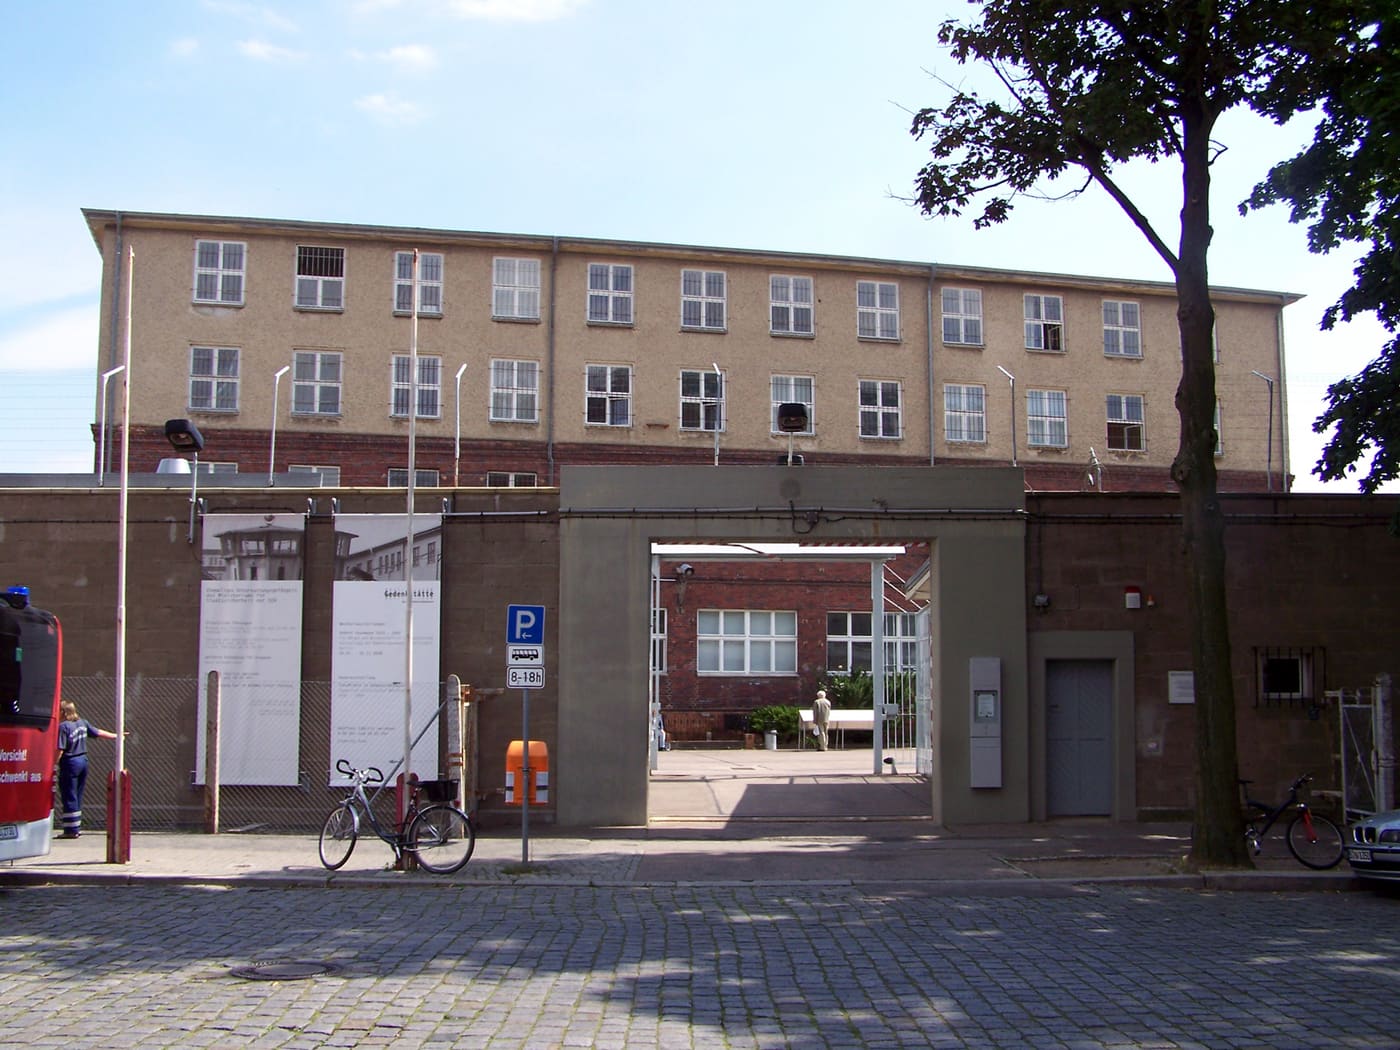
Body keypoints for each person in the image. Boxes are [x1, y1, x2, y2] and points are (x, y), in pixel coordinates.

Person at [55, 700, 121, 838]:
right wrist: (116, 736)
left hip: (70, 763)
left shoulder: (63, 727)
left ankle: (70, 830)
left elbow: (60, 749)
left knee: (69, 795)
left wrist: (53, 765)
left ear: (63, 712)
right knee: (78, 794)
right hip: (83, 761)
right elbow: (98, 732)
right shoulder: (82, 723)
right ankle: (76, 826)